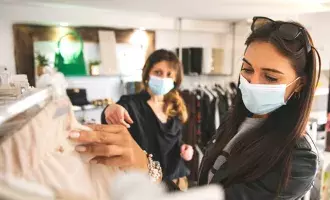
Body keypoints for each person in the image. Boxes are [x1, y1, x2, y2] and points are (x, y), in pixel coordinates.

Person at [69, 16, 320, 199]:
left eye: (271, 77)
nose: (252, 82)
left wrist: (147, 166)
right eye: (247, 69)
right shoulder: (236, 121)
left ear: (300, 84)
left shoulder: (297, 159)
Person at [101, 49, 193, 184]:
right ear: (147, 74)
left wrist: (184, 148)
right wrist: (110, 109)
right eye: (158, 72)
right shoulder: (132, 104)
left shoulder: (176, 107)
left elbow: (176, 142)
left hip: (177, 181)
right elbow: (112, 115)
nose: (163, 78)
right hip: (145, 183)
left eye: (169, 74)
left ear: (175, 79)